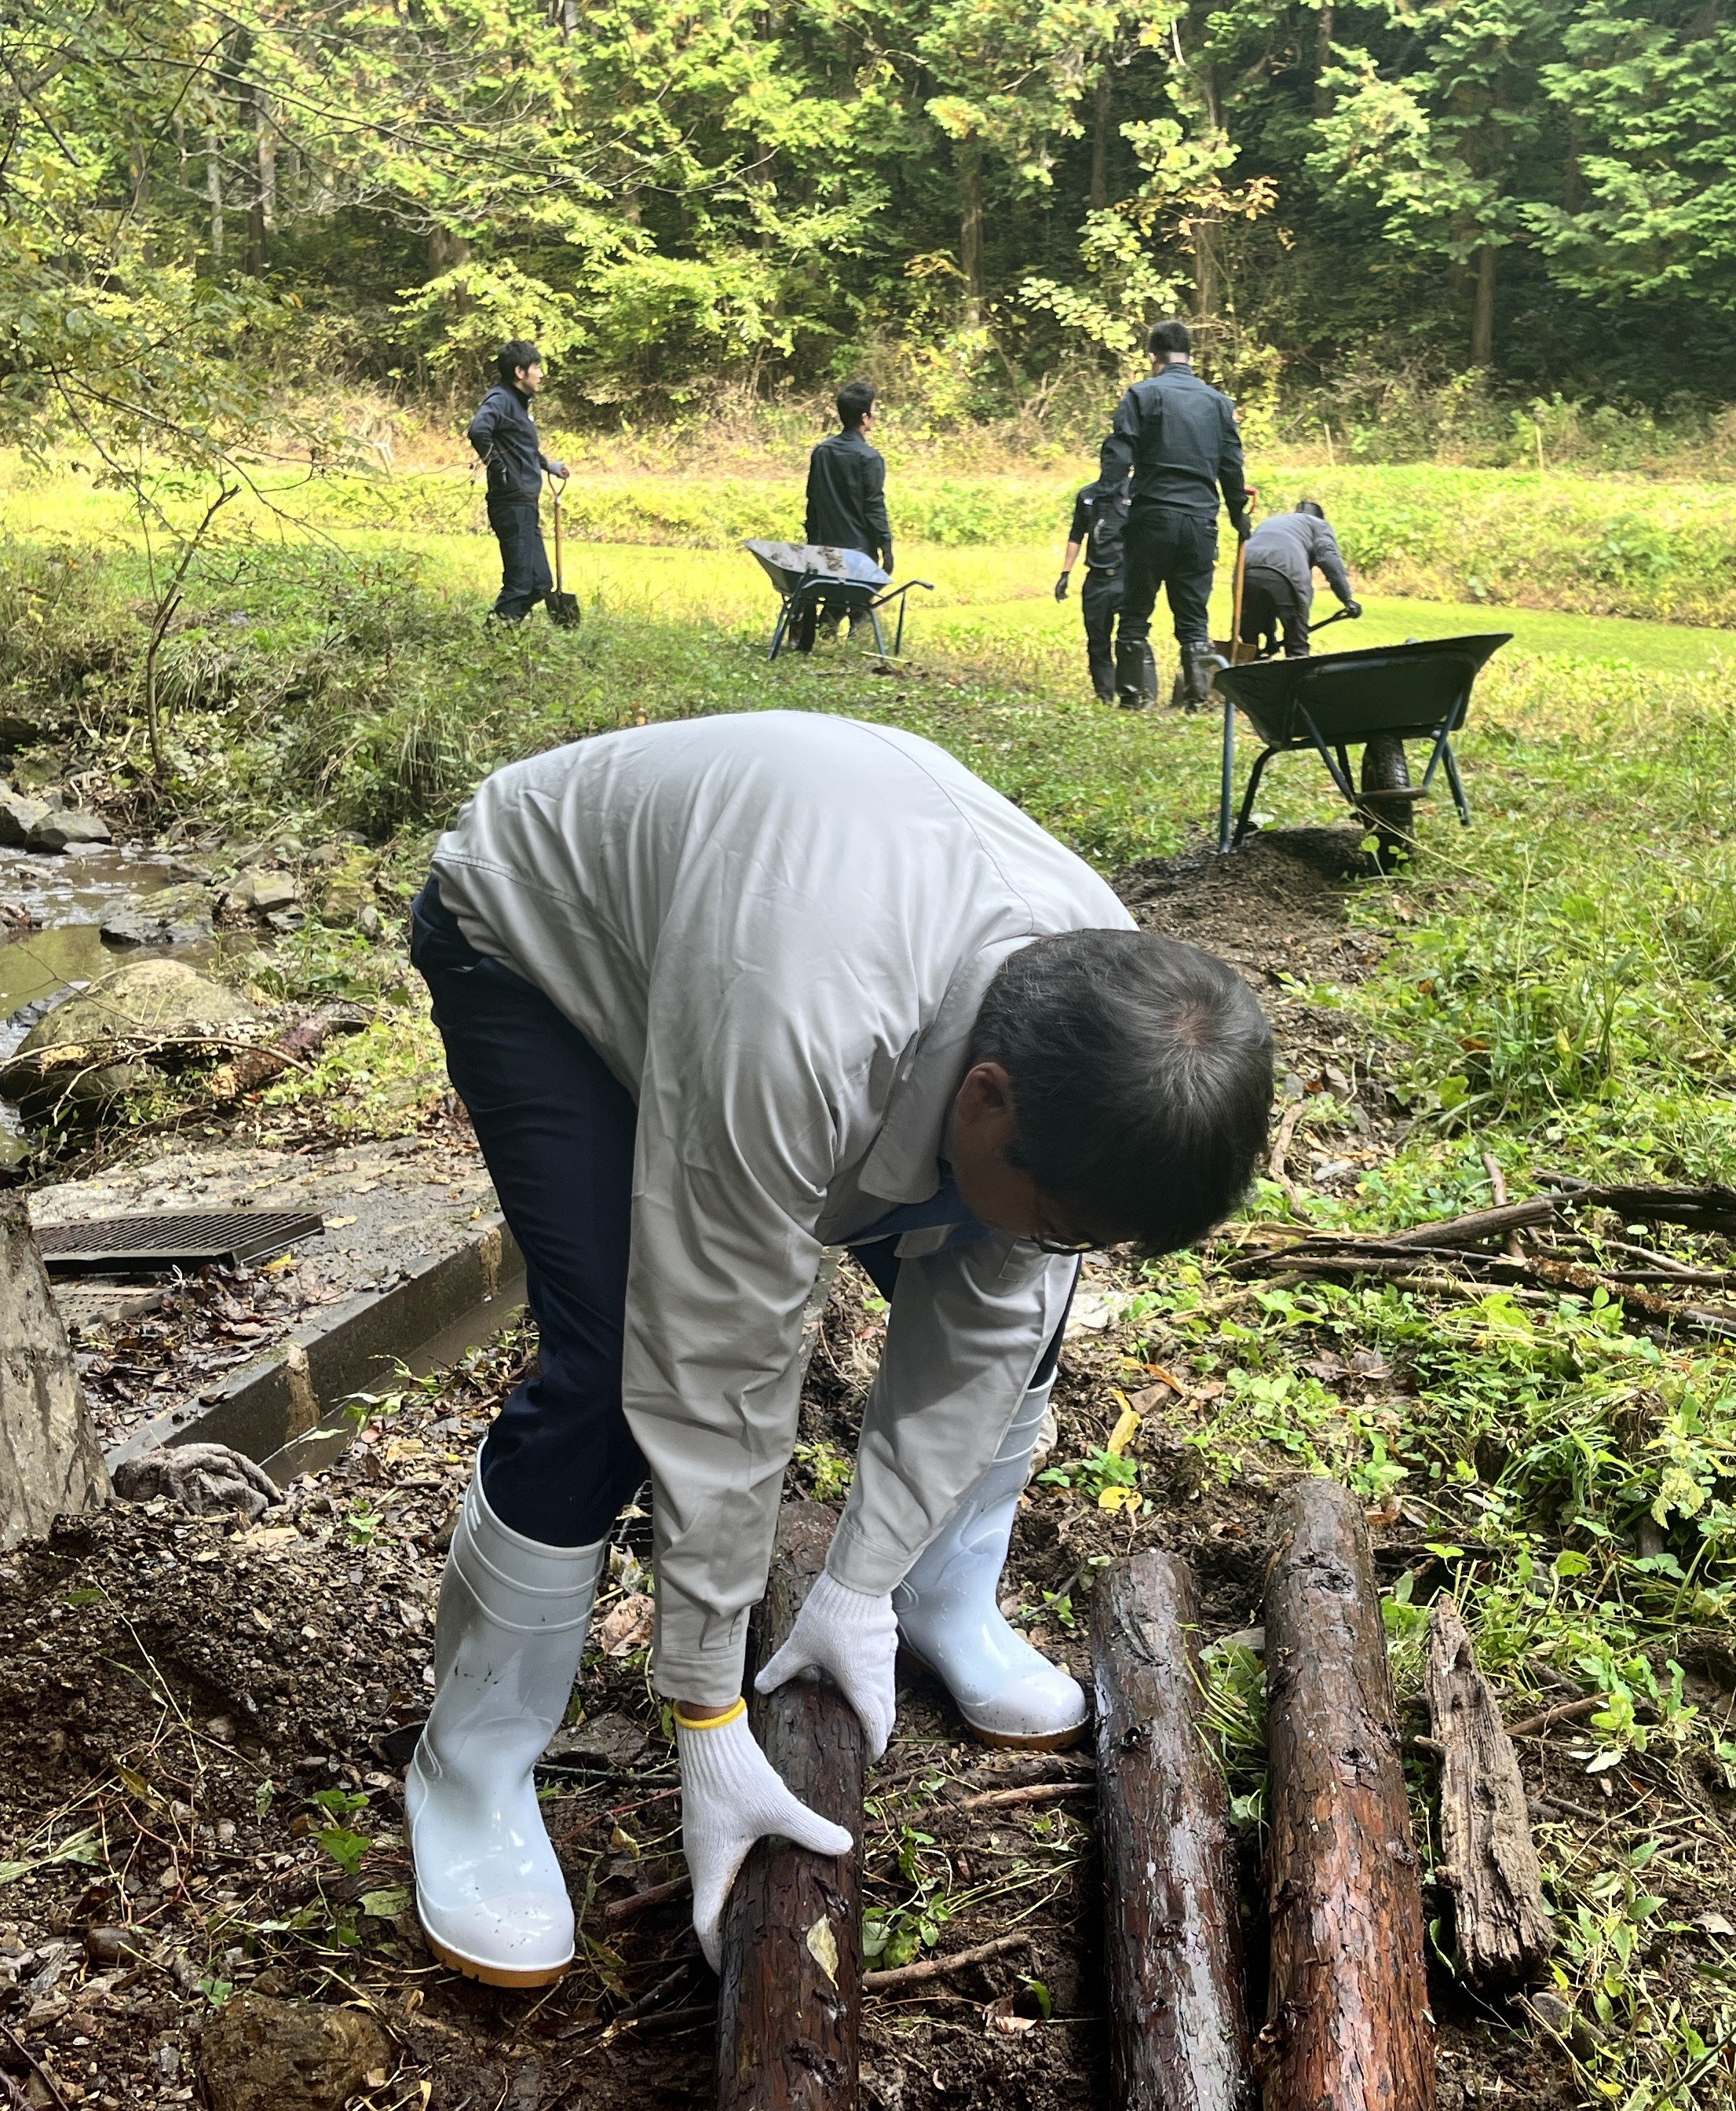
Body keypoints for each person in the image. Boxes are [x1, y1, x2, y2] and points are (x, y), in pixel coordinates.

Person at [400, 711, 1274, 1989]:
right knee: (609, 1377)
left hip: (790, 972)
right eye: (1075, 1222)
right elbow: (718, 1357)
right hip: (549, 949)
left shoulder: (1113, 1018)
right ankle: (467, 1768)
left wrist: (858, 1580)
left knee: (1020, 1311)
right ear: (986, 1099)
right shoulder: (800, 1016)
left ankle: (937, 1601)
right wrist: (704, 1705)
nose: (1068, 1249)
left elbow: (990, 1313)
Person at [1087, 318, 1249, 710]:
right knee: (1193, 617)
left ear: (1151, 356)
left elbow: (1119, 452)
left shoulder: (1142, 395)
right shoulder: (1218, 402)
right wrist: (1238, 516)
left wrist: (1104, 500)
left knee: (1135, 610)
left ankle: (1132, 698)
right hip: (1200, 523)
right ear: (1191, 356)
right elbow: (1232, 465)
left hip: (1151, 518)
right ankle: (1197, 701)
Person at [467, 341, 568, 622]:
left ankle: (504, 637)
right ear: (520, 372)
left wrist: (548, 465)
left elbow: (522, 447)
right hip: (510, 504)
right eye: (536, 368)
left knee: (539, 584)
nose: (541, 374)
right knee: (520, 583)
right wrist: (498, 467)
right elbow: (478, 431)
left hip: (525, 503)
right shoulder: (501, 400)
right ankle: (495, 636)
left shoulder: (518, 405)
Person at [797, 379, 895, 646]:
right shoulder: (869, 458)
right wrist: (886, 545)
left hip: (824, 547)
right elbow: (874, 506)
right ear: (865, 417)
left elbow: (812, 500)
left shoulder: (822, 452)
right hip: (858, 551)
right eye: (874, 409)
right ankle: (855, 645)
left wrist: (812, 541)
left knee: (836, 597)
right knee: (859, 603)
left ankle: (826, 634)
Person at [1240, 499, 1360, 659]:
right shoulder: (1319, 526)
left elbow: (1265, 585)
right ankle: (1297, 676)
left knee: (1249, 640)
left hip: (1247, 569)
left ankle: (1244, 670)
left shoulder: (1273, 521)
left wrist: (1271, 638)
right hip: (1288, 571)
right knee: (1297, 644)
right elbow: (1329, 560)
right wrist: (1347, 599)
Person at [1055, 484, 1135, 702]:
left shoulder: (1136, 492)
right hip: (1097, 577)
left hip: (1126, 576)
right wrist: (1065, 573)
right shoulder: (1088, 495)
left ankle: (1138, 695)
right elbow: (1076, 534)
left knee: (1132, 638)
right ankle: (1104, 696)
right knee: (1097, 640)